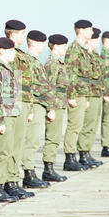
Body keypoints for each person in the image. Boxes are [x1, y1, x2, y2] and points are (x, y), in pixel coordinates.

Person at [0, 37, 22, 203]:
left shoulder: (8, 69)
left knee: (8, 151)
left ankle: (5, 185)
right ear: (3, 51)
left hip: (11, 114)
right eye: (12, 50)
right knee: (1, 152)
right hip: (3, 116)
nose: (14, 53)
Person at [3, 19, 36, 198]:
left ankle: (14, 180)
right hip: (13, 104)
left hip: (22, 103)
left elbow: (27, 84)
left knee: (18, 144)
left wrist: (29, 108)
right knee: (11, 145)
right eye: (22, 33)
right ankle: (9, 181)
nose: (24, 36)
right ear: (13, 34)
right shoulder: (9, 53)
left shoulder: (20, 53)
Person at [22, 30, 56, 188]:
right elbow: (30, 87)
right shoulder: (29, 61)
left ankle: (30, 171)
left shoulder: (36, 61)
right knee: (32, 141)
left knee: (34, 140)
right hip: (35, 104)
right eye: (41, 42)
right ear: (33, 43)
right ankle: (28, 173)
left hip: (40, 104)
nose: (44, 45)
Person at [64, 19, 94, 171]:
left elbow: (86, 75)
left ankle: (78, 157)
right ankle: (70, 158)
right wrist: (71, 96)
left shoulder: (83, 49)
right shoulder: (74, 49)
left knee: (79, 125)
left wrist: (87, 97)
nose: (92, 33)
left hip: (82, 93)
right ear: (81, 31)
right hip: (76, 94)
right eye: (90, 30)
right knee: (74, 126)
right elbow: (70, 75)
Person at [41, 34, 69, 182]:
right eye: (64, 46)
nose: (65, 48)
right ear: (56, 46)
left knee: (55, 137)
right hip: (54, 106)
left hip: (59, 105)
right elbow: (49, 87)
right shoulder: (52, 64)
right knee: (52, 138)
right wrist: (51, 108)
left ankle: (50, 167)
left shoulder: (58, 63)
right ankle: (48, 169)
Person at [77, 27, 104, 168]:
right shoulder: (86, 54)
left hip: (97, 92)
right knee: (87, 124)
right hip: (90, 92)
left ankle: (87, 151)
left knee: (93, 124)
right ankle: (83, 153)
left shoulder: (94, 54)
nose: (97, 42)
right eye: (96, 39)